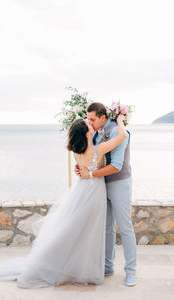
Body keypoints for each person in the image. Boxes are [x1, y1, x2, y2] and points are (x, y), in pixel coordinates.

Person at [0, 114, 126, 289]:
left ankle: (77, 266)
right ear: (87, 133)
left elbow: (84, 165)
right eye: (88, 123)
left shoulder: (78, 152)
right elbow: (122, 136)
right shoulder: (97, 150)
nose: (91, 124)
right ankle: (85, 269)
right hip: (93, 192)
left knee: (77, 230)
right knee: (90, 232)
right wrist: (121, 119)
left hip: (82, 190)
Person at [75, 102, 137, 287]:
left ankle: (131, 271)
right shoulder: (96, 131)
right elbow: (93, 155)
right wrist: (83, 166)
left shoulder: (120, 132)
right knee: (107, 227)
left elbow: (116, 165)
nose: (90, 122)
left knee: (125, 227)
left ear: (103, 117)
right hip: (101, 184)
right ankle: (108, 267)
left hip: (119, 182)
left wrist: (90, 174)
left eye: (93, 119)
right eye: (89, 119)